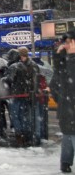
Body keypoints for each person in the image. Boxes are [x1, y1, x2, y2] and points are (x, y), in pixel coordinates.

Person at [50, 29, 75, 173]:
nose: (68, 45)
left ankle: (65, 163)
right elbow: (56, 83)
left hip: (67, 108)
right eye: (66, 42)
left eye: (69, 42)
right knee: (70, 134)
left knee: (69, 135)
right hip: (69, 108)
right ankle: (65, 163)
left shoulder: (66, 63)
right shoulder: (67, 62)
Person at [3, 47, 37, 147]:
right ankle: (26, 136)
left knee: (15, 116)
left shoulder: (15, 66)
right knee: (23, 116)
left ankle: (19, 135)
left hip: (15, 94)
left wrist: (4, 78)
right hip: (26, 94)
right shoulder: (32, 65)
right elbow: (33, 80)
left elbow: (10, 79)